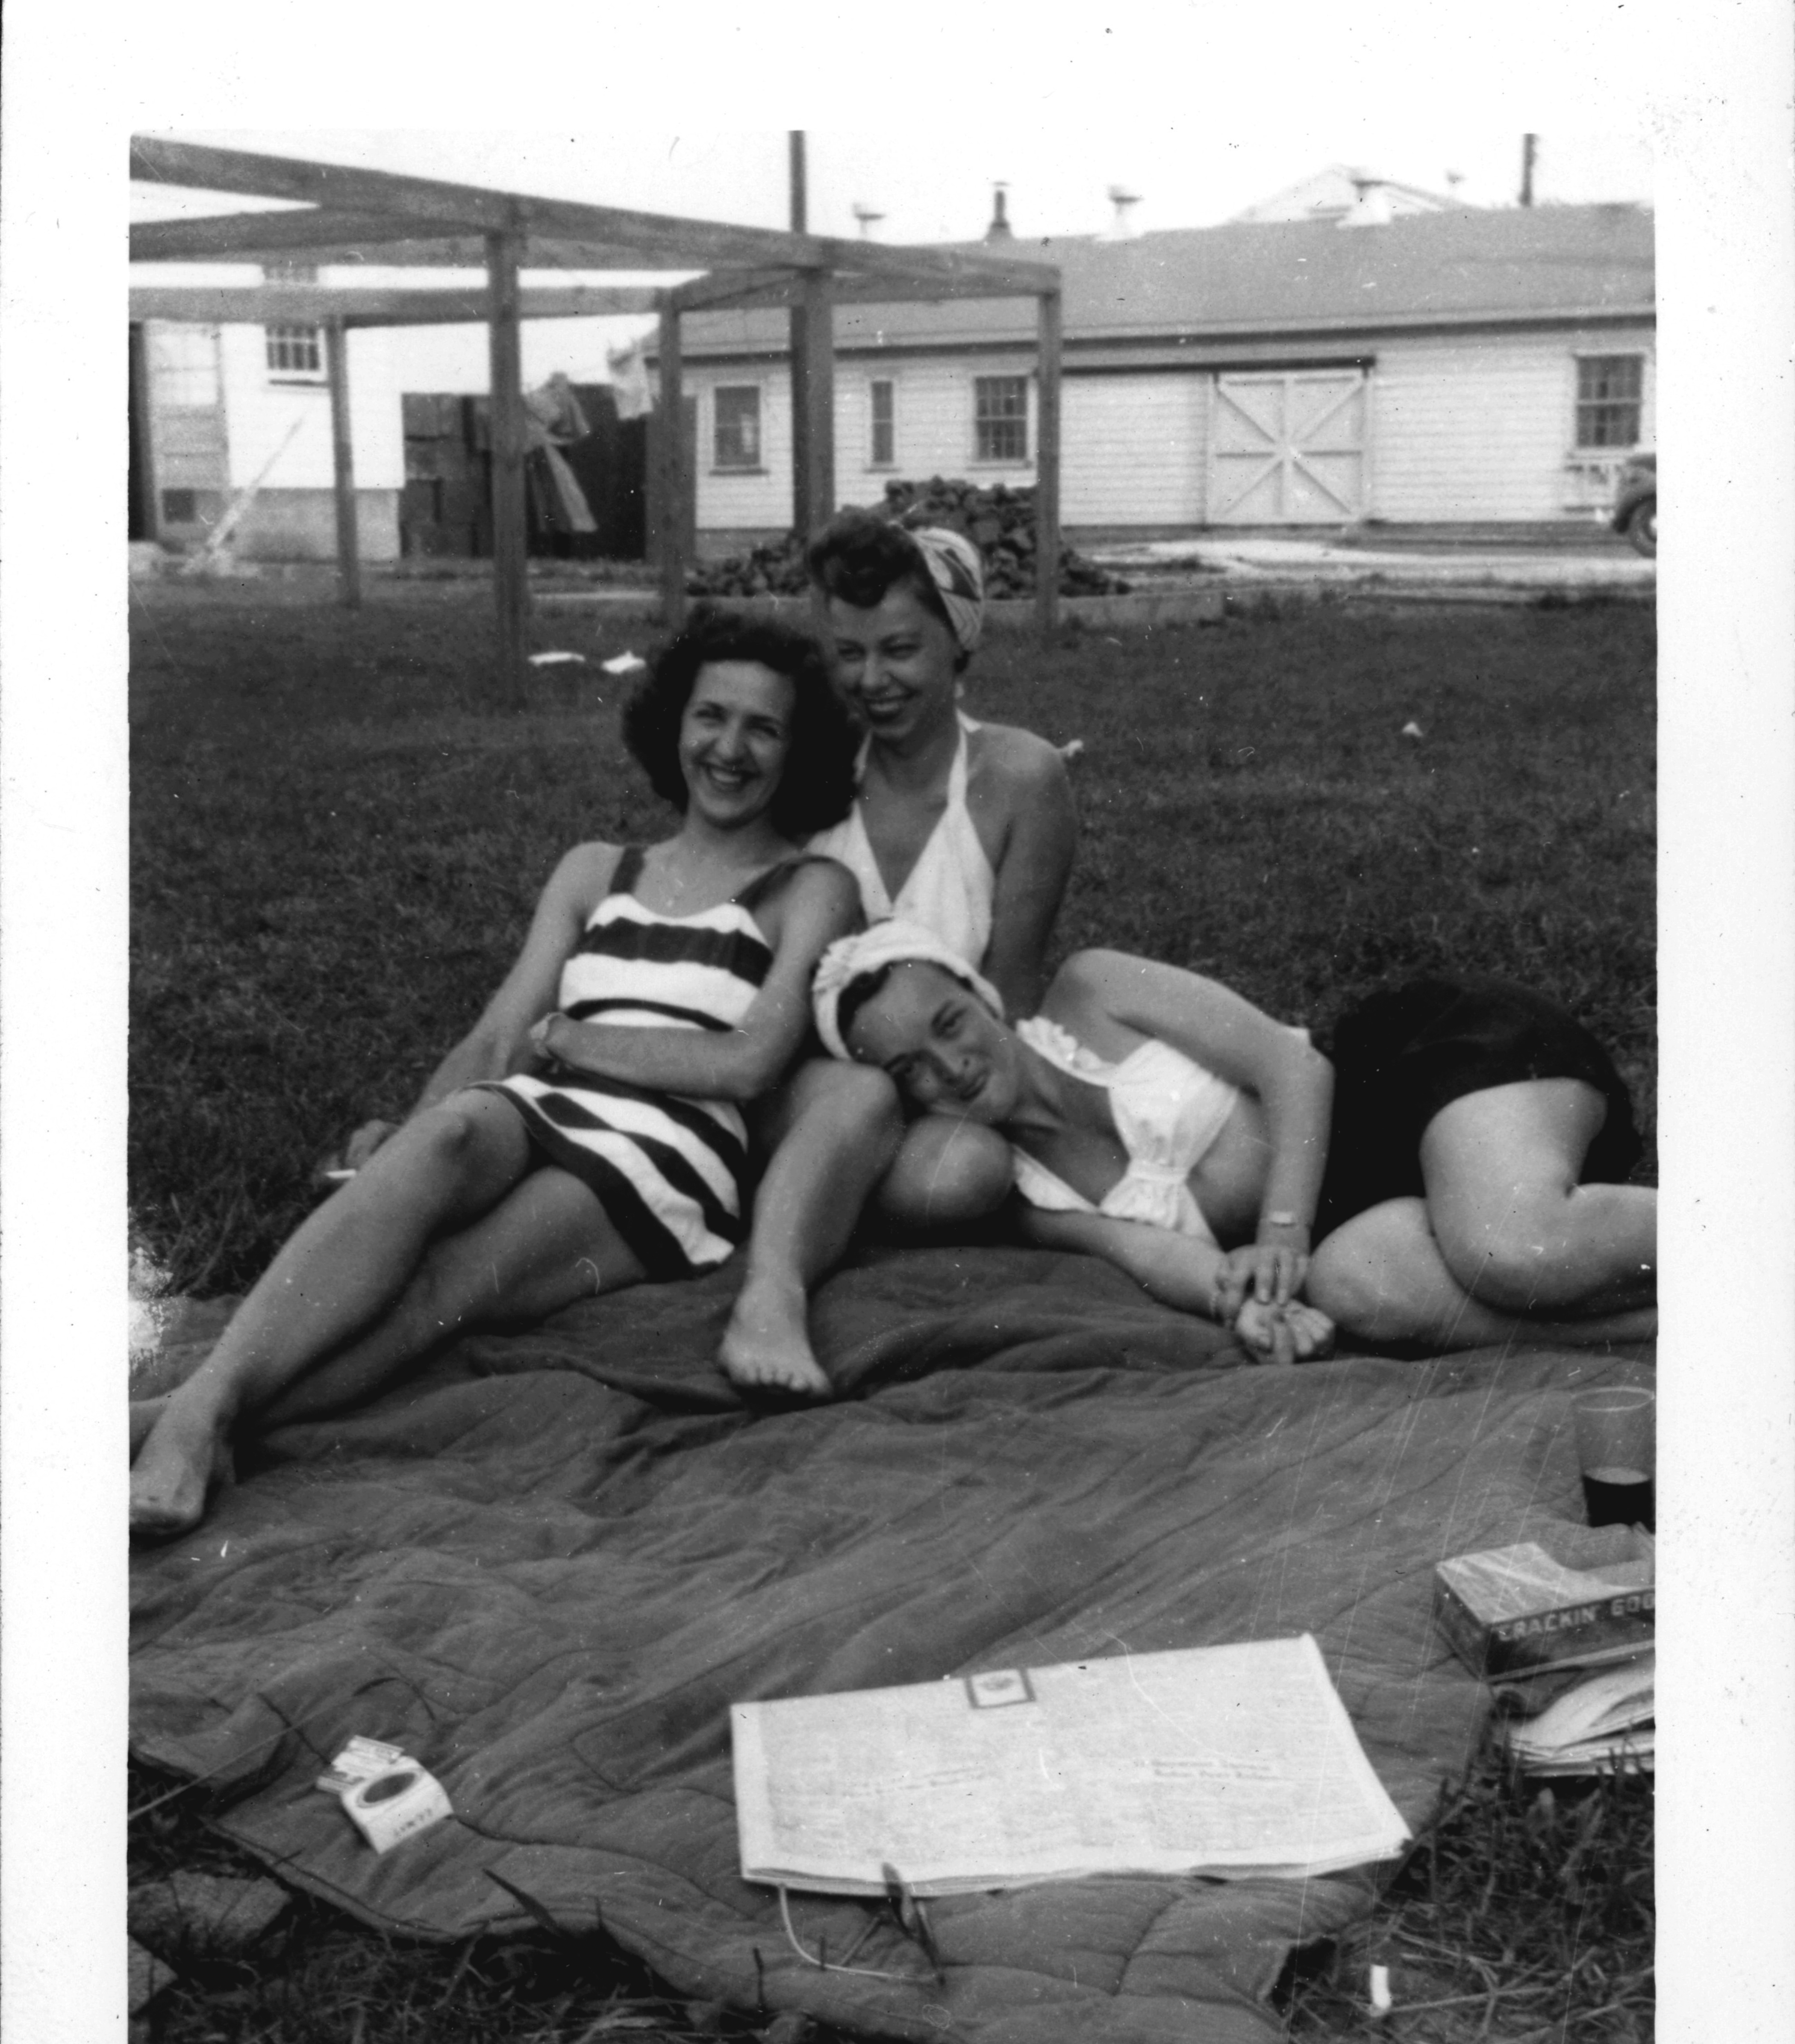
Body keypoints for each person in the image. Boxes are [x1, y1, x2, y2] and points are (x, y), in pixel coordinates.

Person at [130, 610, 863, 1539]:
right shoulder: (597, 870)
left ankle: (187, 1420)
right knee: (448, 1134)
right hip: (547, 1102)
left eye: (764, 728)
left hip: (669, 1153)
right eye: (711, 716)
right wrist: (410, 1136)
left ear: (799, 751)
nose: (730, 748)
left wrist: (575, 1040)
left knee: (452, 1283)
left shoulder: (810, 888)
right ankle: (202, 1412)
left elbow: (752, 1063)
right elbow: (498, 1038)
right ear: (674, 723)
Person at [814, 929, 1658, 1363]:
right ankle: (1660, 1330)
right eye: (909, 1069)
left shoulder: (1089, 990)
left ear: (981, 995)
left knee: (1513, 1248)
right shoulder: (1028, 1195)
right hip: (1360, 1213)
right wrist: (1249, 1309)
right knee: (1356, 1292)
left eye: (950, 1023)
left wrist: (1280, 1232)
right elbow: (1151, 1254)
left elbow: (1295, 1066)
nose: (951, 1067)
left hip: (1411, 1071)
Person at [717, 512, 1080, 1401]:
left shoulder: (1021, 779)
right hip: (810, 1087)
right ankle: (774, 1284)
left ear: (959, 643)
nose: (872, 681)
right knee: (873, 1100)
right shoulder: (808, 783)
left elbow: (1011, 999)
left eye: (901, 649)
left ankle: (807, 1201)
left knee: (966, 1174)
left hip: (949, 1093)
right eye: (848, 654)